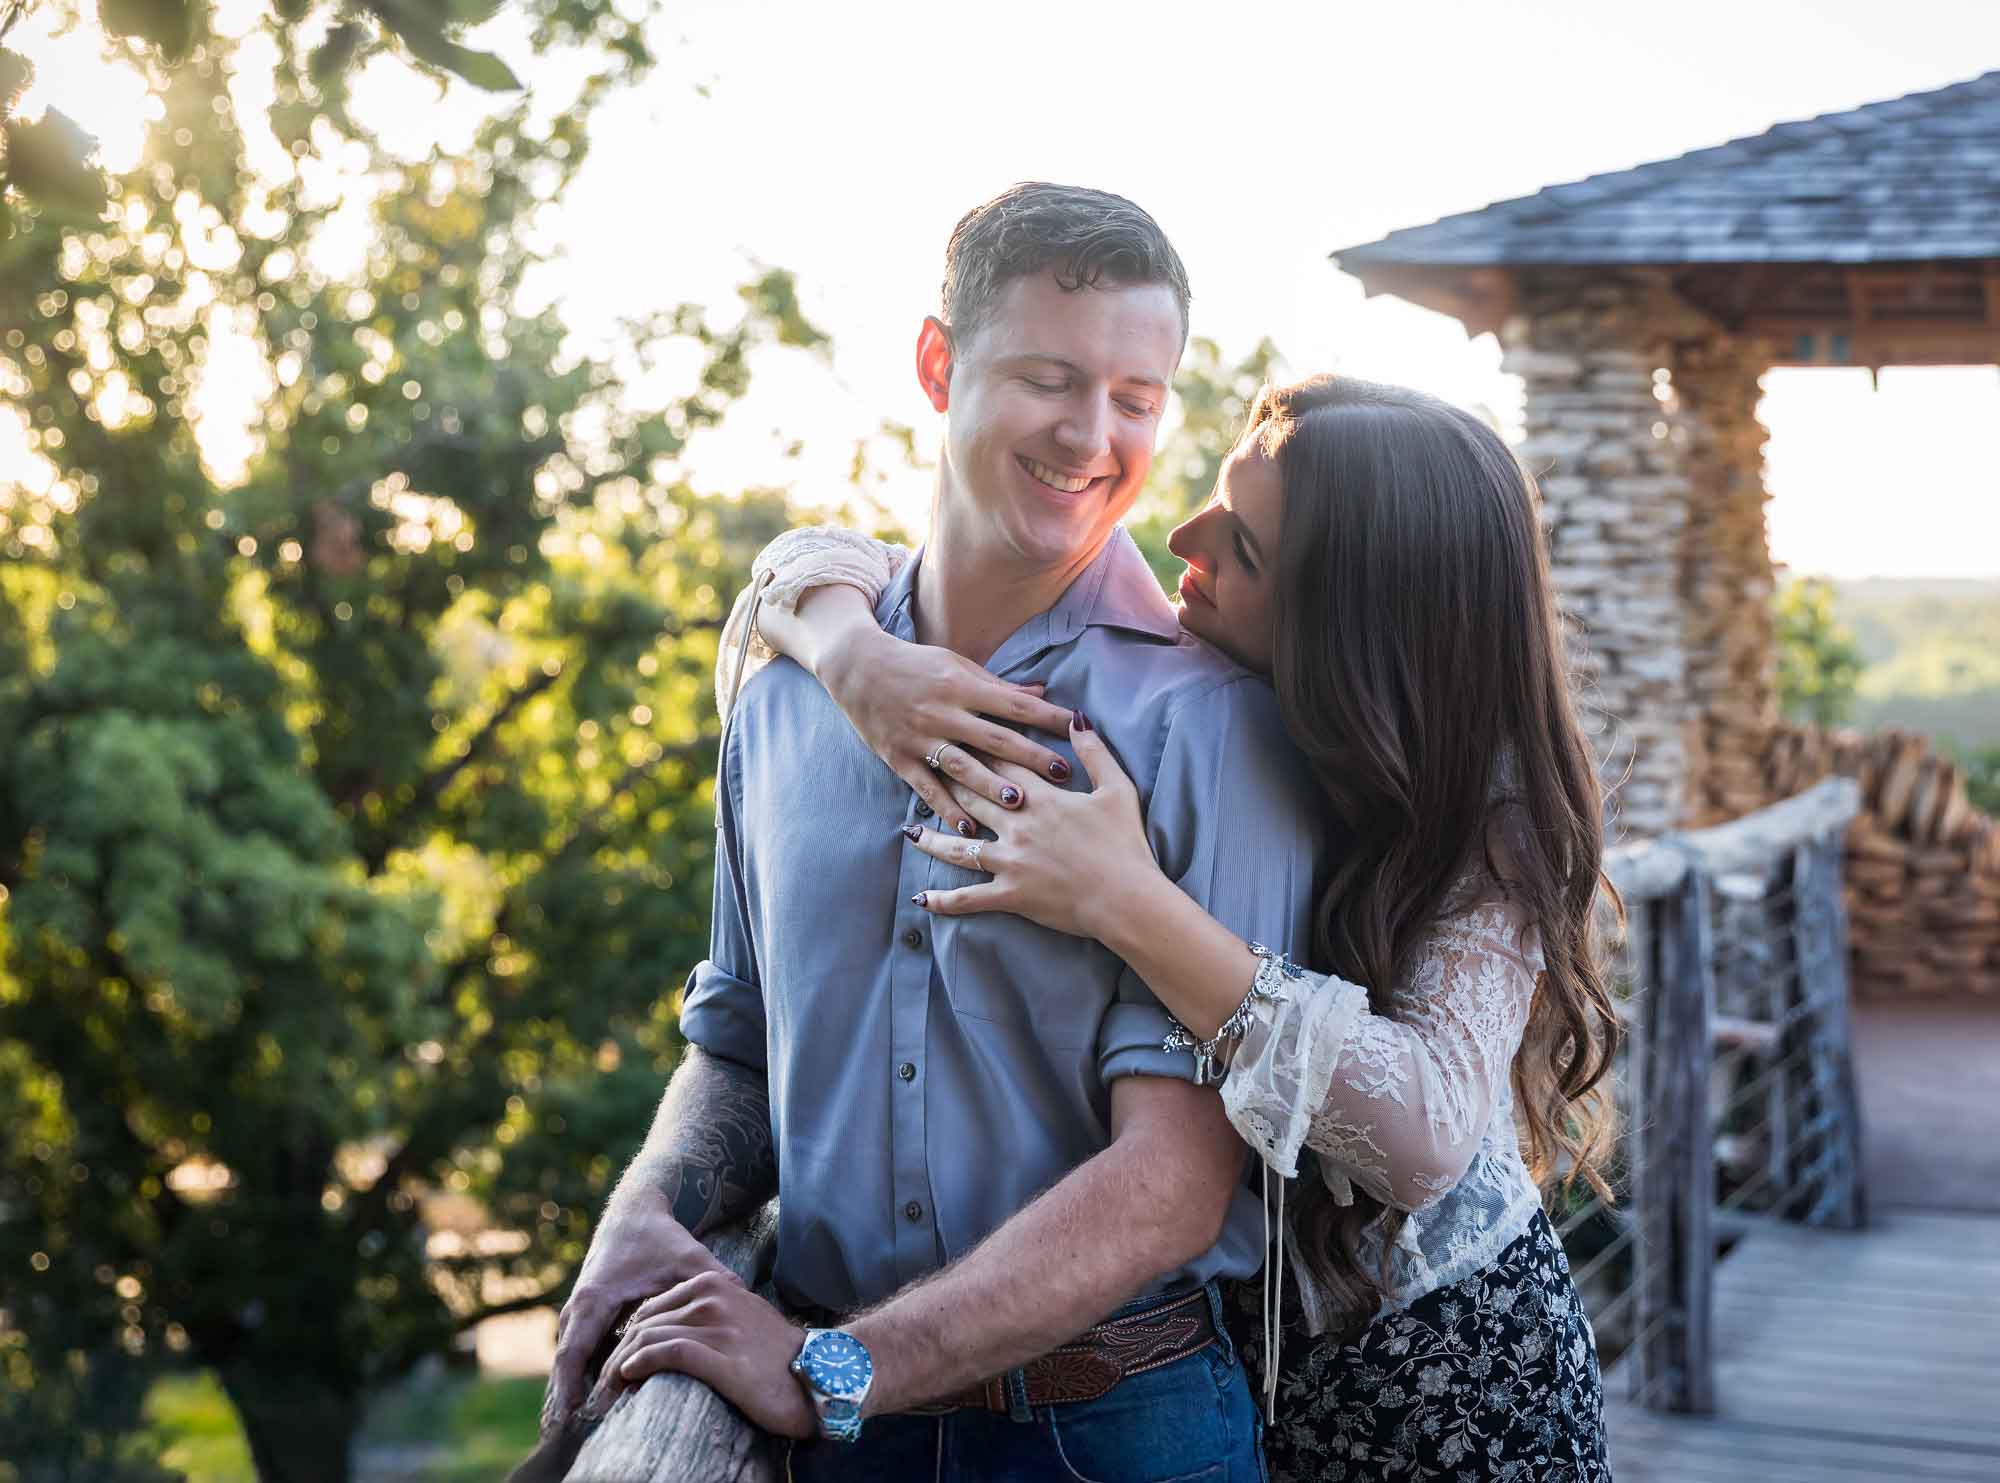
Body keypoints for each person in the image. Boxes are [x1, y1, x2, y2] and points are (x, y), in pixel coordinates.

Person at [539, 182, 1322, 1482]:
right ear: (937, 363)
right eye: (1050, 378)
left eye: (1136, 397)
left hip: (1114, 1433)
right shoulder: (787, 699)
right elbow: (737, 1039)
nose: (1092, 436)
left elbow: (1170, 1182)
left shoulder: (1209, 724)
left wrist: (826, 1370)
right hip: (847, 1443)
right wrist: (646, 1204)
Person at [718, 374, 1621, 1480]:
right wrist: (849, 648)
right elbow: (820, 556)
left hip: (1439, 1389)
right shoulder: (1212, 710)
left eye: (1239, 544)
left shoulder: (1487, 822)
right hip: (1227, 1366)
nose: (1183, 532)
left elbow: (1423, 1136)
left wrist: (1125, 901)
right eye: (1215, 492)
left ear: (1349, 624)